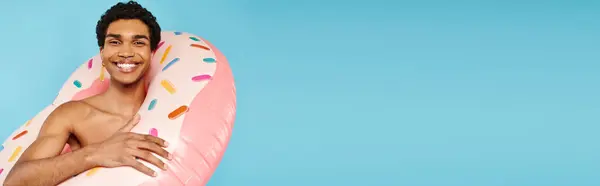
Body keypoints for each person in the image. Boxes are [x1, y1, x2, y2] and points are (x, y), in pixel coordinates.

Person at [3, 1, 171, 186]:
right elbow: (14, 182)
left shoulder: (171, 111)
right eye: (115, 42)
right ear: (102, 53)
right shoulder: (72, 115)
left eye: (138, 43)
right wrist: (96, 153)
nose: (126, 52)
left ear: (152, 53)